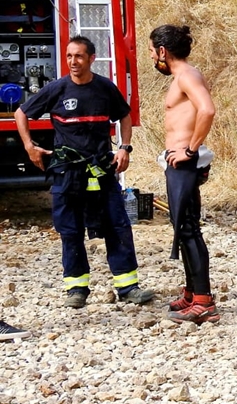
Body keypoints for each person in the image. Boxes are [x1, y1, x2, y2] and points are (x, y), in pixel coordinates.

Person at [15, 36, 154, 309]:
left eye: (78, 56)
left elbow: (124, 116)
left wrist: (124, 147)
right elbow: (22, 113)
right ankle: (76, 289)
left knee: (117, 226)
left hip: (102, 170)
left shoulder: (104, 88)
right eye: (69, 56)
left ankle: (128, 287)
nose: (73, 62)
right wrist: (29, 146)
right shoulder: (56, 89)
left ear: (91, 58)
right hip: (68, 173)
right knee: (70, 230)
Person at [150, 25, 219, 324]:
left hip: (184, 163)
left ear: (163, 51)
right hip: (177, 162)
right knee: (183, 225)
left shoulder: (187, 75)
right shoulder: (183, 76)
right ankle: (192, 292)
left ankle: (203, 301)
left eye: (152, 52)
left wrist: (190, 150)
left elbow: (208, 110)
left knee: (188, 228)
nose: (152, 58)